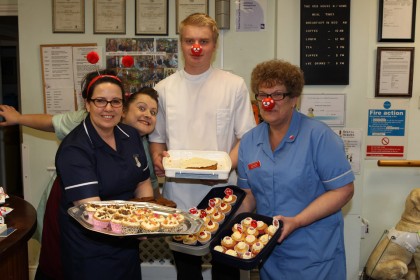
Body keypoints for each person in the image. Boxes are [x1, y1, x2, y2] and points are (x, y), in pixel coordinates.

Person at [0, 86, 167, 279]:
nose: (147, 115)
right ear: (125, 109)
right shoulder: (83, 128)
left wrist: (153, 218)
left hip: (120, 228)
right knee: (56, 263)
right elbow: (51, 122)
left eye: (153, 112)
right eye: (141, 107)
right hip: (74, 209)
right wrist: (19, 119)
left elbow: (147, 187)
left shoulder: (141, 144)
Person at [148, 13, 256, 280]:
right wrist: (158, 159)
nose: (196, 47)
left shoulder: (233, 85)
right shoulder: (163, 89)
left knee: (227, 270)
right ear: (181, 44)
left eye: (204, 41)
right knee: (186, 272)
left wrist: (220, 170)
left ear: (214, 45)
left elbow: (247, 137)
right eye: (190, 40)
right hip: (180, 196)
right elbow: (157, 139)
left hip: (224, 195)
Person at [235, 59, 355, 280]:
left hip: (314, 255)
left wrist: (297, 221)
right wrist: (228, 222)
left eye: (277, 95)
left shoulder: (318, 136)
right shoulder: (250, 142)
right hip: (270, 254)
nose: (269, 102)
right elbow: (249, 195)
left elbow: (344, 190)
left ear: (294, 99)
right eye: (263, 95)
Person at [56, 69, 153, 279]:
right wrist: (137, 227)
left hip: (127, 244)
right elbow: (92, 213)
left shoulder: (131, 136)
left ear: (123, 106)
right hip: (91, 249)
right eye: (100, 101)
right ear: (87, 104)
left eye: (115, 102)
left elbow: (143, 182)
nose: (108, 108)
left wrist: (146, 220)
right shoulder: (75, 149)